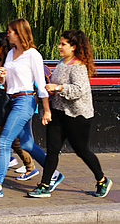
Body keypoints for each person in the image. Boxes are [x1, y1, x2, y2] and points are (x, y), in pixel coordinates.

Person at [0, 18, 64, 198]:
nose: (7, 34)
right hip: (12, 99)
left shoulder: (33, 55)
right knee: (26, 144)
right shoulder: (10, 54)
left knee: (3, 141)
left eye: (10, 31)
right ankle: (53, 174)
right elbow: (6, 83)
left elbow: (40, 85)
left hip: (25, 101)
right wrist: (1, 78)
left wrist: (46, 110)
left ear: (19, 33)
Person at [28, 30, 112, 198]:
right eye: (60, 43)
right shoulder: (61, 63)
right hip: (58, 112)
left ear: (73, 47)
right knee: (52, 150)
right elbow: (56, 85)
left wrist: (58, 88)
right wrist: (50, 92)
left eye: (63, 44)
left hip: (77, 115)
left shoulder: (78, 66)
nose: (59, 47)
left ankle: (102, 180)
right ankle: (45, 185)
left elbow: (79, 90)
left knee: (81, 150)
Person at [0, 32, 39, 187]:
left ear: (2, 46)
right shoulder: (0, 61)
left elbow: (14, 83)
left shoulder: (13, 60)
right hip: (3, 103)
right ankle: (31, 166)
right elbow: (0, 81)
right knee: (16, 141)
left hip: (12, 103)